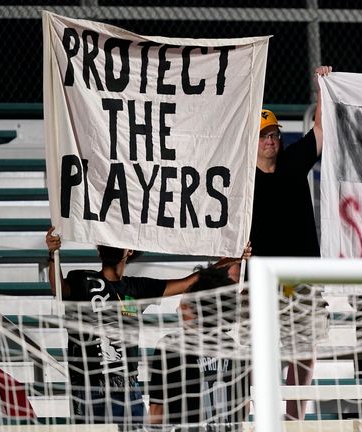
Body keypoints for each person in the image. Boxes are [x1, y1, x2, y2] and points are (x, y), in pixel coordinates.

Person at [45, 227, 246, 424]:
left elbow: (188, 282)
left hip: (128, 387)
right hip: (89, 387)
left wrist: (233, 258)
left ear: (129, 250)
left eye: (117, 240)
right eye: (105, 241)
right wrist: (53, 254)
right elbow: (59, 290)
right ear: (98, 249)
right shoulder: (82, 278)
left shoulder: (139, 287)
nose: (111, 245)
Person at [249, 65, 332, 420]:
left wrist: (321, 89)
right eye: (264, 135)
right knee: (255, 351)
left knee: (305, 348)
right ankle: (256, 415)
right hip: (261, 280)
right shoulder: (240, 182)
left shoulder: (292, 162)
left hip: (299, 277)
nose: (271, 140)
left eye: (274, 134)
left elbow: (321, 129)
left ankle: (294, 419)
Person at [147, 265, 250, 426]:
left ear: (200, 309)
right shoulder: (234, 348)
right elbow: (244, 409)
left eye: (184, 305)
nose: (177, 309)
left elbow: (156, 412)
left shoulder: (171, 346)